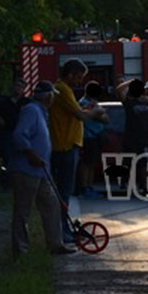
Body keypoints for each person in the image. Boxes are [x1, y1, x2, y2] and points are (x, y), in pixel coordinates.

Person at [8, 81, 76, 258]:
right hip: (26, 169)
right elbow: (19, 135)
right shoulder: (31, 110)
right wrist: (30, 153)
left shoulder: (42, 112)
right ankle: (20, 252)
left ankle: (56, 244)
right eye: (52, 95)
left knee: (52, 205)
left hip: (41, 171)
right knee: (23, 211)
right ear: (48, 97)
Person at [49, 59, 104, 241]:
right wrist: (95, 112)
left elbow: (75, 109)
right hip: (64, 147)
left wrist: (84, 107)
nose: (80, 82)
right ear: (71, 74)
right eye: (79, 77)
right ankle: (62, 233)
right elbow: (79, 116)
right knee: (63, 193)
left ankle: (63, 230)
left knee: (64, 192)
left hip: (68, 146)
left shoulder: (65, 90)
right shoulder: (63, 89)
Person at [116, 78, 148, 196]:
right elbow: (119, 90)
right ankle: (124, 183)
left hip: (143, 138)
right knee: (127, 162)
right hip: (130, 137)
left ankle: (145, 187)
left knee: (143, 163)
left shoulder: (147, 102)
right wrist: (132, 81)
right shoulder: (129, 102)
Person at [0, 78, 30, 184]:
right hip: (8, 132)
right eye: (17, 86)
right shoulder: (5, 102)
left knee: (22, 157)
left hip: (22, 134)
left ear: (24, 89)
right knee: (7, 157)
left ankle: (19, 181)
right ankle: (5, 180)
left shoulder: (25, 102)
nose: (18, 89)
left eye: (21, 87)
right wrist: (1, 121)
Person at [78, 80, 109, 199]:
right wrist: (98, 110)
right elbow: (101, 114)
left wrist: (99, 111)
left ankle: (90, 187)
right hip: (88, 137)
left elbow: (106, 119)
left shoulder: (93, 103)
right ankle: (85, 188)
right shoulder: (84, 103)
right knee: (86, 163)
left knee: (92, 164)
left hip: (95, 138)